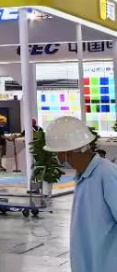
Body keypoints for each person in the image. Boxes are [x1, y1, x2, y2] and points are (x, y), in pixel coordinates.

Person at [43, 116, 117, 272]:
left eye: (58, 154)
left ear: (68, 152)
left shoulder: (107, 174)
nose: (58, 160)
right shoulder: (83, 176)